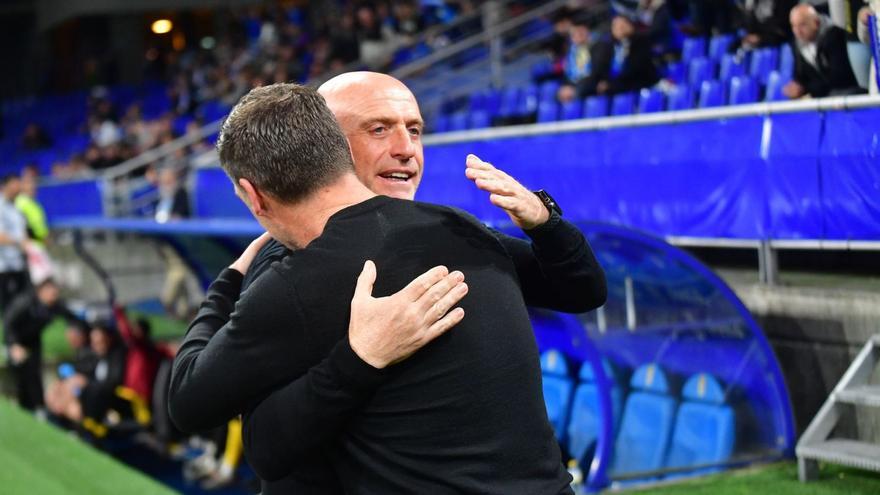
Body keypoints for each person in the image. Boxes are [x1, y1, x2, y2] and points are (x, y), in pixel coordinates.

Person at [171, 72, 606, 492]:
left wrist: (546, 223)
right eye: (379, 129)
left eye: (415, 131)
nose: (405, 149)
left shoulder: (456, 232)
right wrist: (358, 361)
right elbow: (270, 448)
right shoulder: (288, 266)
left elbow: (581, 289)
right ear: (329, 145)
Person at [3, 277, 84, 412]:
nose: (54, 295)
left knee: (34, 373)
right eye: (51, 291)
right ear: (41, 291)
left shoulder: (55, 306)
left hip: (34, 340)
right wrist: (13, 345)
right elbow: (9, 323)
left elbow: (73, 318)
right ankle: (20, 406)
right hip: (17, 339)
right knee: (19, 371)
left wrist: (74, 328)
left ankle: (38, 408)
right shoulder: (26, 302)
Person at [784, 3, 864, 98]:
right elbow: (800, 76)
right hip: (824, 95)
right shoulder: (797, 44)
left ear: (816, 22)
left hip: (847, 92)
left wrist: (805, 88)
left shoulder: (834, 37)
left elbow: (839, 79)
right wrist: (796, 87)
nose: (798, 31)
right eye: (794, 26)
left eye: (802, 25)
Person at [0, 174, 28, 315]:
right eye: (15, 183)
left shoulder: (16, 206)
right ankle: (11, 337)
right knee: (10, 309)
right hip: (5, 267)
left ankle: (21, 336)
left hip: (18, 263)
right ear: (6, 185)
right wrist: (20, 242)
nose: (19, 186)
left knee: (23, 306)